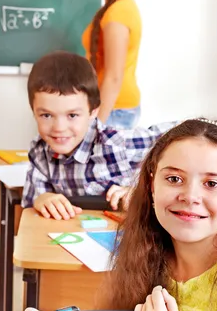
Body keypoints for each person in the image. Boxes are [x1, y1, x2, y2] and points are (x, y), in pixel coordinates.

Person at [13, 119, 217, 311]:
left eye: (212, 184)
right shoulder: (145, 250)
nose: (190, 196)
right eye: (174, 179)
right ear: (152, 185)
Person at [23, 51, 174, 220]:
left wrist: (144, 192)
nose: (59, 128)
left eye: (72, 115)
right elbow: (31, 210)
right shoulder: (40, 152)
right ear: (34, 112)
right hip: (75, 238)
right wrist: (42, 199)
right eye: (46, 115)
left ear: (93, 111)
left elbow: (194, 130)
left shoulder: (117, 143)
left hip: (130, 239)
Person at [81, 0, 142, 129]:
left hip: (115, 110)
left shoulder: (118, 13)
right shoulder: (116, 6)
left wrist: (96, 124)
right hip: (114, 108)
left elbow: (114, 76)